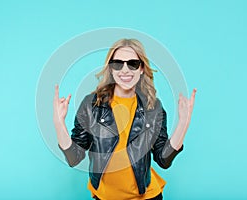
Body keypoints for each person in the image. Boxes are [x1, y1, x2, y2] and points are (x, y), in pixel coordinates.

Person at [53, 38, 196, 200]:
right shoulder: (91, 104)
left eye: (133, 63)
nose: (125, 70)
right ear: (111, 69)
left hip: (147, 196)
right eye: (118, 64)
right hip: (104, 197)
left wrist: (183, 123)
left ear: (141, 68)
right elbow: (74, 158)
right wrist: (59, 123)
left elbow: (163, 159)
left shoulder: (153, 108)